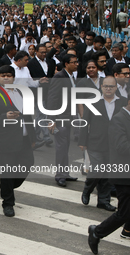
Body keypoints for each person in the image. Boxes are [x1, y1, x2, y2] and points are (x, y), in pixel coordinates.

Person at [0, 65, 36, 217]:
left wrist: (33, 136)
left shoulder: (21, 92)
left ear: (13, 77)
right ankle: (8, 203)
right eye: (3, 75)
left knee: (27, 164)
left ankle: (7, 186)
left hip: (24, 139)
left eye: (9, 75)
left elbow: (29, 115)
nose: (6, 77)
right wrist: (4, 117)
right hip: (4, 141)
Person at [79, 76, 127, 212]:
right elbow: (85, 122)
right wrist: (82, 141)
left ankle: (103, 201)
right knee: (97, 169)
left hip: (114, 145)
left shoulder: (122, 102)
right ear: (101, 87)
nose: (108, 89)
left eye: (111, 86)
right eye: (106, 86)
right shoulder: (93, 102)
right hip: (95, 142)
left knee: (107, 173)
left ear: (116, 87)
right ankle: (87, 189)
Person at [88, 100, 130, 254]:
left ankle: (127, 230)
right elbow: (121, 146)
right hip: (124, 175)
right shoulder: (119, 119)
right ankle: (97, 232)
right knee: (123, 213)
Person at [47, 54, 79, 187]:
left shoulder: (71, 76)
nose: (76, 64)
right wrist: (51, 119)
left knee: (66, 146)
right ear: (66, 64)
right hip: (59, 117)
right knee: (61, 146)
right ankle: (60, 175)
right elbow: (53, 98)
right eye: (73, 62)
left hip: (68, 116)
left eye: (77, 62)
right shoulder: (59, 77)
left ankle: (65, 173)